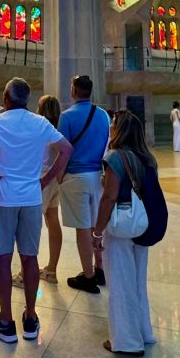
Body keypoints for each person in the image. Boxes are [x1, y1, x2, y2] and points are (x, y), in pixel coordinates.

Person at [0, 78, 72, 343]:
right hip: (30, 198)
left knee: (3, 259)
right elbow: (66, 149)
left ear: (6, 98)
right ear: (27, 99)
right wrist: (46, 179)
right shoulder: (40, 123)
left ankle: (6, 322)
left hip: (2, 198)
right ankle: (30, 318)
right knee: (30, 258)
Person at [92, 110, 168, 356]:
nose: (110, 128)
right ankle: (143, 332)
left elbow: (109, 197)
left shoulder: (115, 157)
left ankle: (126, 341)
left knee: (120, 282)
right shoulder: (147, 158)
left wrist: (97, 231)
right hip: (142, 224)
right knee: (137, 281)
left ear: (120, 130)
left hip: (122, 227)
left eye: (113, 124)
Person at [57, 75, 112, 294]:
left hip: (75, 177)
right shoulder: (104, 115)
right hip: (97, 176)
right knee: (96, 226)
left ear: (73, 90)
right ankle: (100, 268)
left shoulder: (66, 116)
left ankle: (88, 277)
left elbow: (63, 151)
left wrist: (59, 176)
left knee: (82, 228)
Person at [13, 95, 65, 288]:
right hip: (54, 180)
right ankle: (51, 270)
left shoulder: (40, 129)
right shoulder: (58, 130)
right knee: (53, 222)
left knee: (29, 228)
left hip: (41, 180)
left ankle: (25, 275)